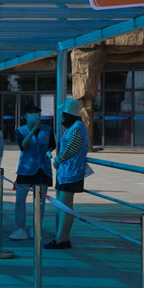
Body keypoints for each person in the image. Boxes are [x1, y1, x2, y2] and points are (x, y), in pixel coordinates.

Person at [45, 98, 89, 250]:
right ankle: (62, 236)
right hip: (67, 172)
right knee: (63, 206)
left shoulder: (77, 127)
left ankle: (62, 239)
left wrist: (58, 159)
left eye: (63, 113)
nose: (62, 116)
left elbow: (72, 148)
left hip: (71, 172)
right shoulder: (75, 127)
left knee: (65, 206)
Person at [10, 103, 55, 240]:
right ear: (25, 116)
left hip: (42, 169)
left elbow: (52, 145)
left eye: (36, 113)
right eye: (31, 113)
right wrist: (32, 130)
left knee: (40, 201)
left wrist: (49, 152)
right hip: (25, 169)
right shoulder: (20, 130)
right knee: (20, 199)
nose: (34, 115)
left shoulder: (47, 129)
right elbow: (23, 145)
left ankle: (36, 228)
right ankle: (21, 228)